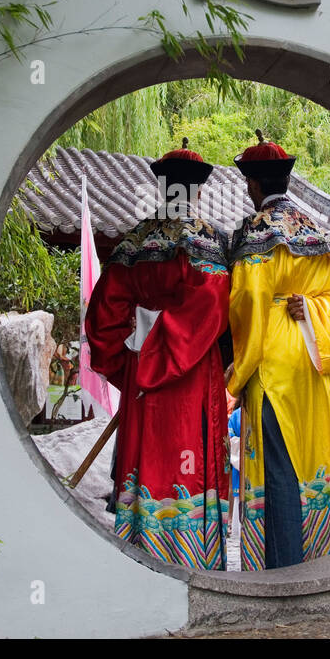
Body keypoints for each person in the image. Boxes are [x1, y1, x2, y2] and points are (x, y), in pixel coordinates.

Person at [84, 141, 233, 570]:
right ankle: (193, 560)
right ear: (199, 191)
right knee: (189, 457)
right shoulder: (206, 243)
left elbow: (102, 318)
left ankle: (141, 555)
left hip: (139, 376)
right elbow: (212, 308)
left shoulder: (133, 243)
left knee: (144, 457)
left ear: (161, 186)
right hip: (191, 371)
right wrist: (164, 342)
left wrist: (130, 359)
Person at [226, 131, 330, 570]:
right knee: (313, 458)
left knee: (278, 465)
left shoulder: (255, 234)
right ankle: (326, 556)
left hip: (273, 364)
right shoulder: (316, 233)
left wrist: (235, 374)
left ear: (254, 186)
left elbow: (247, 302)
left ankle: (284, 564)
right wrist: (314, 309)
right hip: (313, 357)